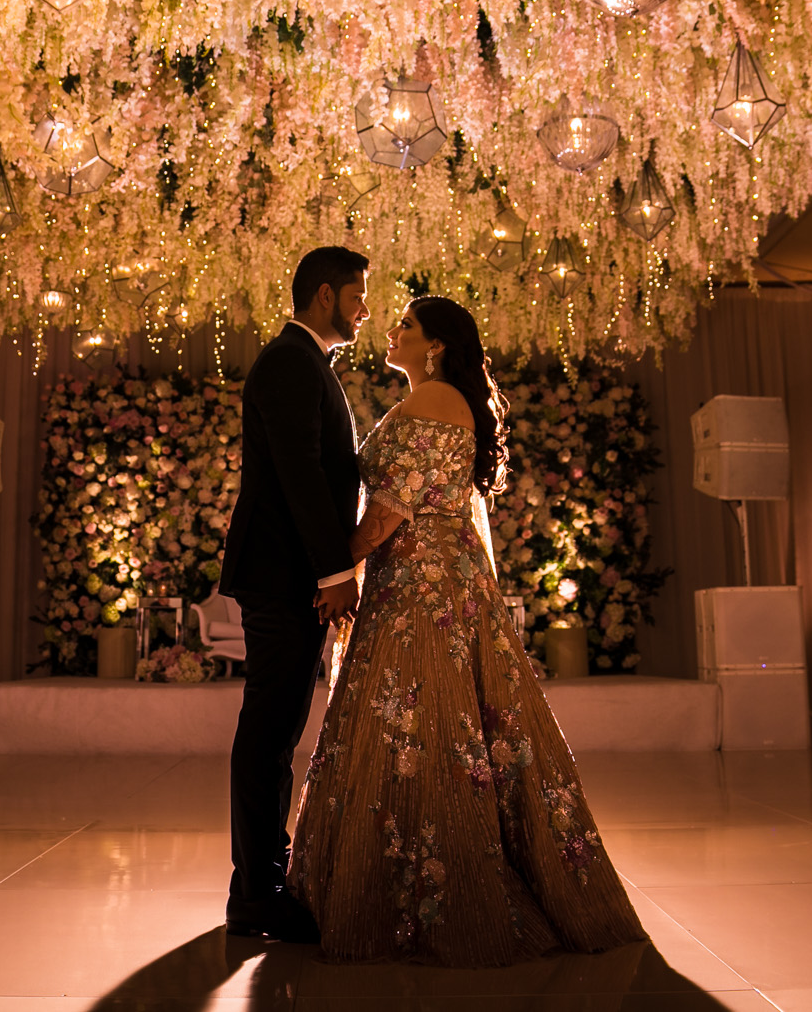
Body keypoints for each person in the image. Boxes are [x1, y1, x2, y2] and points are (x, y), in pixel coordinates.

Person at [287, 295, 647, 966]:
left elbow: (391, 508)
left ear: (439, 345)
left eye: (407, 325)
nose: (392, 331)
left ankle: (433, 892)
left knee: (427, 721)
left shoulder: (436, 402)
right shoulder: (433, 400)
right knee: (414, 725)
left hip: (426, 590)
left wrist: (334, 565)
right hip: (420, 581)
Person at [218, 245, 372, 943]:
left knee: (276, 728)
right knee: (270, 729)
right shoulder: (288, 361)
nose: (365, 308)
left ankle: (256, 873)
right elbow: (299, 474)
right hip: (284, 575)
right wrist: (335, 572)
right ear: (323, 295)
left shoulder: (308, 362)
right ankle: (258, 892)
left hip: (289, 574)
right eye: (356, 295)